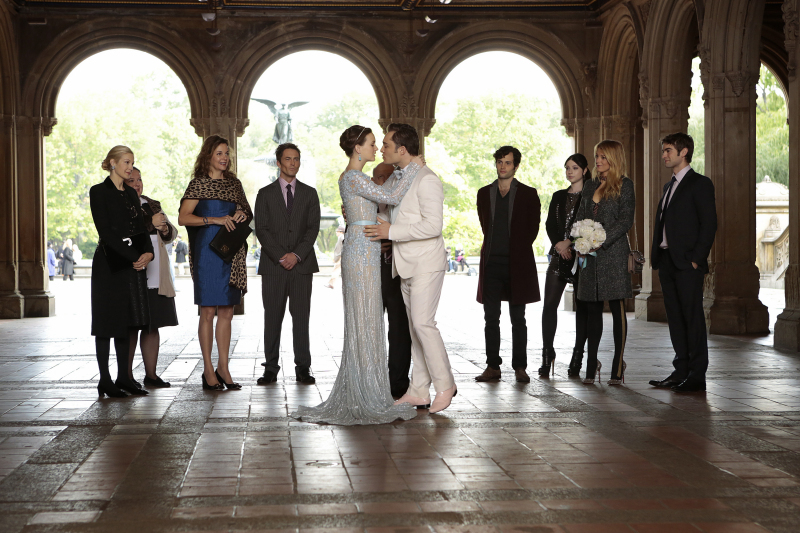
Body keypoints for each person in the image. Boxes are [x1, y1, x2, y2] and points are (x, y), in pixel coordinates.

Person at [292, 126, 420, 425]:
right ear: (357, 149)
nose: (376, 149)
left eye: (378, 144)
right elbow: (394, 194)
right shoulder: (353, 177)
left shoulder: (354, 178)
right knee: (363, 317)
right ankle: (364, 392)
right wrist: (414, 167)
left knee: (368, 318)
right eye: (372, 144)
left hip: (367, 249)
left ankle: (370, 388)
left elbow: (377, 206)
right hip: (361, 252)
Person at [365, 123, 456, 414]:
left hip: (427, 263)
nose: (382, 148)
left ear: (402, 149)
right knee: (415, 330)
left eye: (387, 144)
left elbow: (433, 225)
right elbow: (386, 211)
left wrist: (391, 232)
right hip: (405, 264)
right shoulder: (397, 180)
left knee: (423, 325)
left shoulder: (427, 179)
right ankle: (418, 390)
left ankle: (445, 384)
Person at [179, 135, 252, 391]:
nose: (224, 158)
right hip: (207, 252)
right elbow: (183, 218)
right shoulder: (197, 184)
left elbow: (247, 213)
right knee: (208, 311)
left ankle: (223, 366)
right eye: (219, 153)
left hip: (231, 252)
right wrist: (215, 219)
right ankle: (208, 369)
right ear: (208, 155)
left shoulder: (234, 184)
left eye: (226, 154)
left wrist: (241, 214)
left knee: (228, 311)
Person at [649, 133, 717, 393]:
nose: (664, 155)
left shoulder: (700, 183)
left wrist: (697, 260)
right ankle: (680, 371)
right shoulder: (669, 186)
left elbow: (709, 224)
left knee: (692, 318)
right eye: (663, 150)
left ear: (684, 151)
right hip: (667, 262)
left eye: (668, 150)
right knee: (675, 319)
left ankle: (697, 375)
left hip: (687, 264)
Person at [89, 145, 153, 398]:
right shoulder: (98, 191)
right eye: (126, 162)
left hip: (133, 263)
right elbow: (105, 232)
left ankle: (124, 377)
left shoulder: (129, 193)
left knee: (128, 320)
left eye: (132, 162)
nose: (130, 167)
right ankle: (105, 380)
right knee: (106, 321)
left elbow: (141, 226)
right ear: (112, 163)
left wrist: (149, 253)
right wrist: (135, 256)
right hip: (108, 264)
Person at [254, 143, 320, 385]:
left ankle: (303, 368)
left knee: (301, 318)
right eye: (288, 159)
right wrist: (282, 256)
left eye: (296, 159)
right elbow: (261, 229)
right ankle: (270, 367)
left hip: (302, 266)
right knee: (272, 317)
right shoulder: (265, 194)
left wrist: (297, 255)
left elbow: (313, 228)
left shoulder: (310, 193)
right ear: (279, 163)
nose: (293, 163)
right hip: (274, 267)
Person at [474, 146, 541, 384]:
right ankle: (492, 366)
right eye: (500, 162)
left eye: (508, 163)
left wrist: (516, 251)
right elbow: (485, 225)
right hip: (491, 263)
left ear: (516, 166)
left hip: (517, 265)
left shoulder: (528, 194)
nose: (503, 166)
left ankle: (520, 367)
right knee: (490, 317)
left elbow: (532, 229)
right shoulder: (484, 193)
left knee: (518, 318)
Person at [574, 140, 635, 385]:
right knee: (592, 310)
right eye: (597, 156)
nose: (598, 161)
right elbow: (580, 217)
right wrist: (581, 241)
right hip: (590, 258)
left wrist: (601, 240)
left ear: (614, 159)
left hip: (613, 255)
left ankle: (618, 366)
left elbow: (625, 221)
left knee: (618, 311)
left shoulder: (625, 185)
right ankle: (591, 365)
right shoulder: (589, 185)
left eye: (603, 157)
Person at [124, 167, 177, 388]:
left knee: (152, 325)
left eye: (140, 179)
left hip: (157, 271)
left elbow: (170, 233)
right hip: (133, 269)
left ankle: (151, 375)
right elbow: (125, 231)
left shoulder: (152, 203)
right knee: (130, 326)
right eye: (132, 180)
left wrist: (164, 228)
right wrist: (151, 224)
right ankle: (125, 377)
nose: (137, 183)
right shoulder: (121, 204)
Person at [541, 154, 591, 378]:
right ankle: (547, 352)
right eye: (567, 168)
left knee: (582, 307)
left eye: (575, 168)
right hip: (558, 254)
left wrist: (570, 243)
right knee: (549, 305)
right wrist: (559, 246)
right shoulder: (558, 196)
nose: (570, 172)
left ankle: (577, 356)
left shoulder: (591, 196)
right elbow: (550, 223)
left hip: (581, 256)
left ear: (585, 170)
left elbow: (590, 225)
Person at [373, 161, 414, 399]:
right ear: (375, 181)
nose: (387, 182)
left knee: (400, 331)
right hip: (374, 273)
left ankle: (397, 382)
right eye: (382, 177)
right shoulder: (364, 203)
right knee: (372, 329)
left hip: (400, 272)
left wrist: (394, 238)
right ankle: (374, 380)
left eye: (391, 178)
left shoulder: (405, 202)